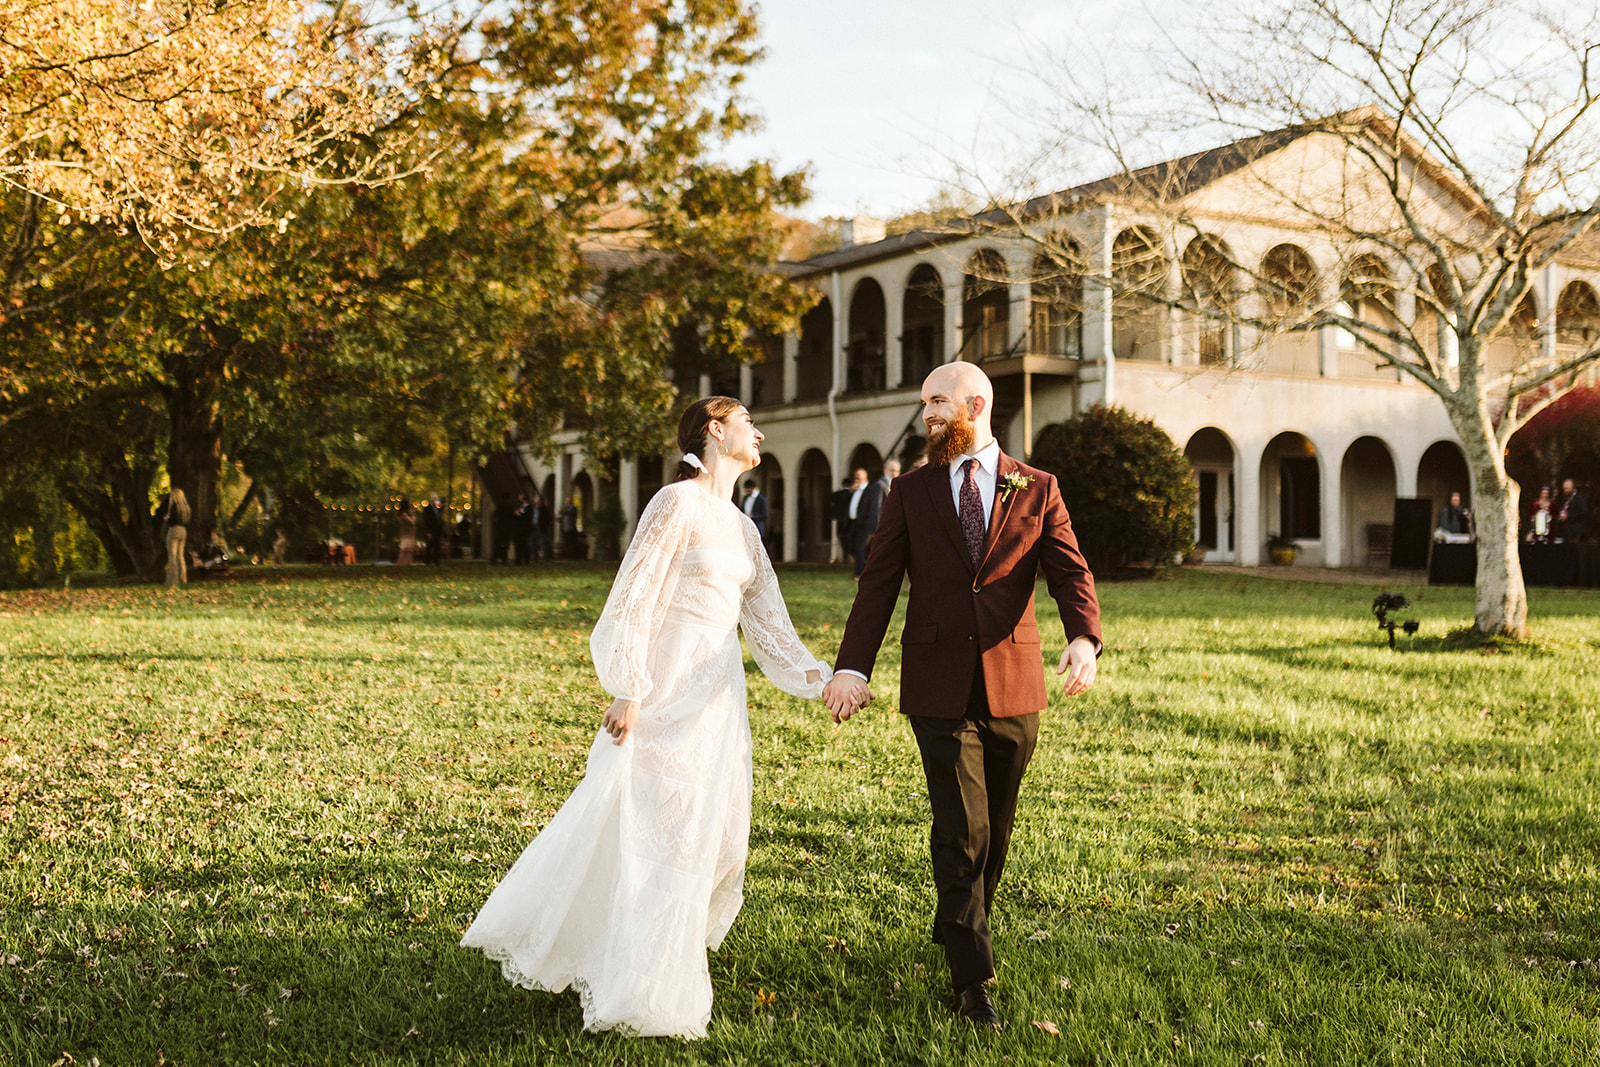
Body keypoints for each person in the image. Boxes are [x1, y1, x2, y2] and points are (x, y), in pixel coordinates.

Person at [460, 397, 834, 1038]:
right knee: (643, 822)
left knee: (699, 828)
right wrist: (629, 687)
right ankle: (625, 975)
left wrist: (827, 682)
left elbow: (771, 624)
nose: (761, 430)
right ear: (716, 430)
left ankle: (662, 965)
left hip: (717, 697)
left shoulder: (744, 528)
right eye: (749, 420)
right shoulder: (674, 503)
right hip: (664, 687)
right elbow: (634, 595)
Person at [823, 361, 1101, 1031]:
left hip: (1016, 683)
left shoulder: (1037, 486)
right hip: (936, 685)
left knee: (993, 830)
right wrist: (852, 667)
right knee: (961, 829)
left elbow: (1069, 570)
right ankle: (974, 982)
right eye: (925, 403)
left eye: (939, 402)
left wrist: (1084, 638)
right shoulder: (910, 493)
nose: (929, 414)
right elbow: (878, 583)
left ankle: (957, 918)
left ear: (976, 404)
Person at [852, 459, 900, 579]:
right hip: (878, 527)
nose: (894, 473)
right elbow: (876, 508)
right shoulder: (879, 486)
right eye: (892, 470)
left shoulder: (895, 485)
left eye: (897, 471)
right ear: (885, 471)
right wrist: (877, 529)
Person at [162, 488, 190, 585]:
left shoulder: (174, 507)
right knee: (180, 556)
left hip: (174, 530)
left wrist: (167, 520)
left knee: (172, 555)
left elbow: (171, 520)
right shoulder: (186, 507)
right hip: (183, 530)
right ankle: (183, 578)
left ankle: (173, 580)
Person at [830, 475, 855, 564]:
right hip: (849, 520)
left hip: (841, 520)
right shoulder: (852, 494)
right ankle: (849, 557)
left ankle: (847, 557)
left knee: (843, 539)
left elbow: (831, 497)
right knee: (849, 539)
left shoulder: (838, 494)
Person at [1556, 477, 1589, 541]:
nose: (1566, 490)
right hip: (1568, 532)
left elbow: (1583, 512)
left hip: (1577, 533)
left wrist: (1568, 516)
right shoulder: (1567, 500)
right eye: (1564, 489)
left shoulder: (1579, 499)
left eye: (1568, 488)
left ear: (1573, 488)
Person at [422, 493, 445, 565]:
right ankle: (427, 561)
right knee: (429, 546)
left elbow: (439, 520)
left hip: (437, 530)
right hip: (431, 530)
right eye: (436, 499)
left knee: (437, 546)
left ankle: (436, 561)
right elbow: (426, 521)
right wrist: (428, 531)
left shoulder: (438, 509)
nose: (437, 500)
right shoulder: (427, 509)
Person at [512, 492, 534, 565]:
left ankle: (526, 560)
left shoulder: (529, 507)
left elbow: (527, 517)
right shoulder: (520, 506)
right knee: (518, 544)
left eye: (520, 495)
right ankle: (518, 560)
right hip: (518, 528)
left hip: (525, 529)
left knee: (524, 544)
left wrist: (519, 514)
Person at [528, 491, 548, 561]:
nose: (537, 503)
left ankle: (544, 557)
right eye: (536, 502)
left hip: (540, 528)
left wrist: (545, 526)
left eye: (538, 502)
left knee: (543, 543)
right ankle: (534, 557)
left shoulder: (543, 509)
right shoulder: (531, 509)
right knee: (531, 543)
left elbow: (547, 519)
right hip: (532, 528)